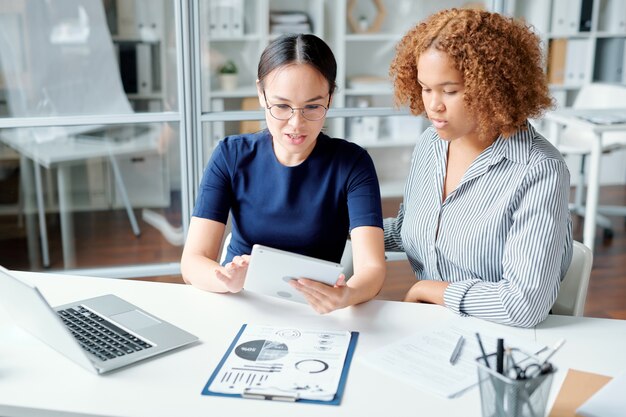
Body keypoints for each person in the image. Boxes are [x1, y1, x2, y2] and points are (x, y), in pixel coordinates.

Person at [385, 8, 573, 327]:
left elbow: (523, 306)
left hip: (501, 339)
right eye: (425, 88)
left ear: (493, 87)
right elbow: (411, 230)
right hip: (430, 326)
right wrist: (341, 228)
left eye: (450, 91)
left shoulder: (539, 170)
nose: (433, 105)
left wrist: (430, 290)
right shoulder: (431, 145)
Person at [181, 34, 385, 314]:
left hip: (315, 308)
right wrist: (227, 281)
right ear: (261, 94)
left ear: (330, 97)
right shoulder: (231, 155)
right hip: (240, 299)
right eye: (281, 106)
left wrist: (346, 295)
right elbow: (193, 262)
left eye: (312, 106)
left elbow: (372, 268)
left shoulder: (352, 164)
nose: (296, 123)